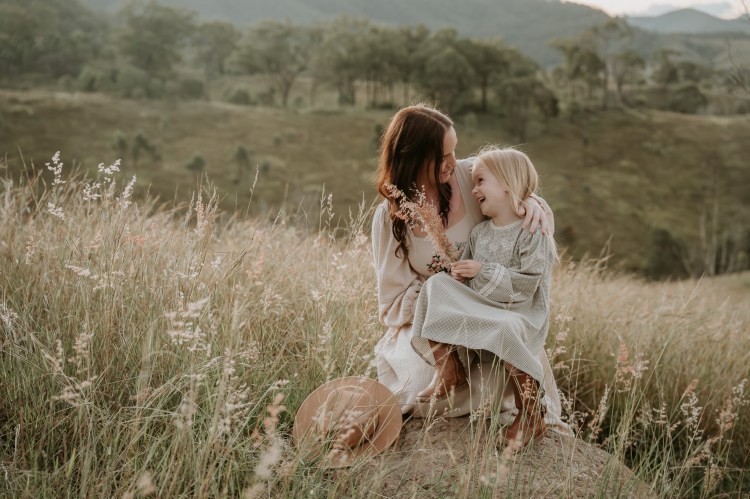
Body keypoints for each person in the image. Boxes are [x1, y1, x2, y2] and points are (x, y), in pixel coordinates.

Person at [371, 104, 568, 436]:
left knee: (496, 374)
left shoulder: (470, 176)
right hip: (430, 317)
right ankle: (450, 371)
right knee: (417, 387)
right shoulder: (390, 218)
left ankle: (528, 411)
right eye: (443, 156)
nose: (453, 161)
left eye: (454, 150)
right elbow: (391, 302)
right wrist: (447, 301)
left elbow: (514, 188)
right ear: (414, 158)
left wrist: (532, 202)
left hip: (496, 302)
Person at [410, 146, 558, 448]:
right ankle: (449, 369)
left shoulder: (532, 229)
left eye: (480, 181)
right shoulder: (480, 233)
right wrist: (461, 275)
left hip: (519, 311)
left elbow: (529, 284)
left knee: (506, 328)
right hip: (484, 306)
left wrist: (483, 270)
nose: (474, 189)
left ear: (507, 184)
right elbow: (469, 285)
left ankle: (531, 413)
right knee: (437, 284)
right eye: (474, 182)